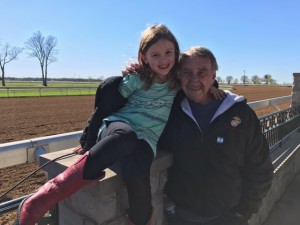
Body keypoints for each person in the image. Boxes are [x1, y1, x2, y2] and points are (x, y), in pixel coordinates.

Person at [15, 23, 181, 225]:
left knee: (139, 179)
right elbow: (105, 107)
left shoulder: (178, 82)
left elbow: (200, 79)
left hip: (147, 139)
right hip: (118, 126)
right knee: (126, 137)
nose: (163, 59)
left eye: (168, 52)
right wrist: (88, 140)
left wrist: (214, 89)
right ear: (144, 57)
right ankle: (44, 197)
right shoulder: (138, 78)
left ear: (176, 53)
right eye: (155, 55)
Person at [157, 46, 274, 225]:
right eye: (187, 72)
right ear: (179, 76)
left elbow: (260, 167)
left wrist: (244, 211)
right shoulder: (172, 113)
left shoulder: (241, 113)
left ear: (213, 76)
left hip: (229, 218)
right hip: (180, 218)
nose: (194, 79)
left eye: (202, 71)